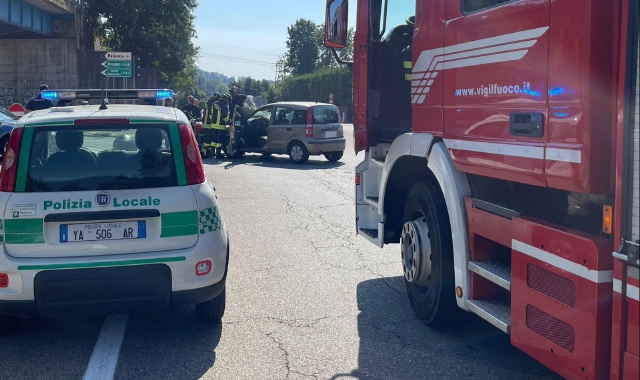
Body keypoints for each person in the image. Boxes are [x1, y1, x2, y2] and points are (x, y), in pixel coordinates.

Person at [209, 93, 230, 158]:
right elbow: (224, 117)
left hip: (213, 125)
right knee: (219, 141)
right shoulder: (224, 106)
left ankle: (212, 153)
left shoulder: (213, 104)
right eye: (228, 100)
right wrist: (229, 120)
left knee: (213, 140)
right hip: (220, 126)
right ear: (226, 99)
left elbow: (210, 115)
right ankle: (218, 154)